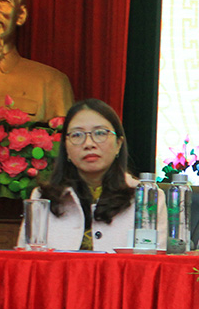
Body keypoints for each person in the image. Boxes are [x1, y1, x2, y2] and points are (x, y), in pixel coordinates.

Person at [18, 99, 166, 252]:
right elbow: (26, 260)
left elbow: (153, 262)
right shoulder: (42, 198)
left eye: (100, 133)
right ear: (66, 148)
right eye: (77, 135)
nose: (89, 144)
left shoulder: (148, 198)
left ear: (118, 144)